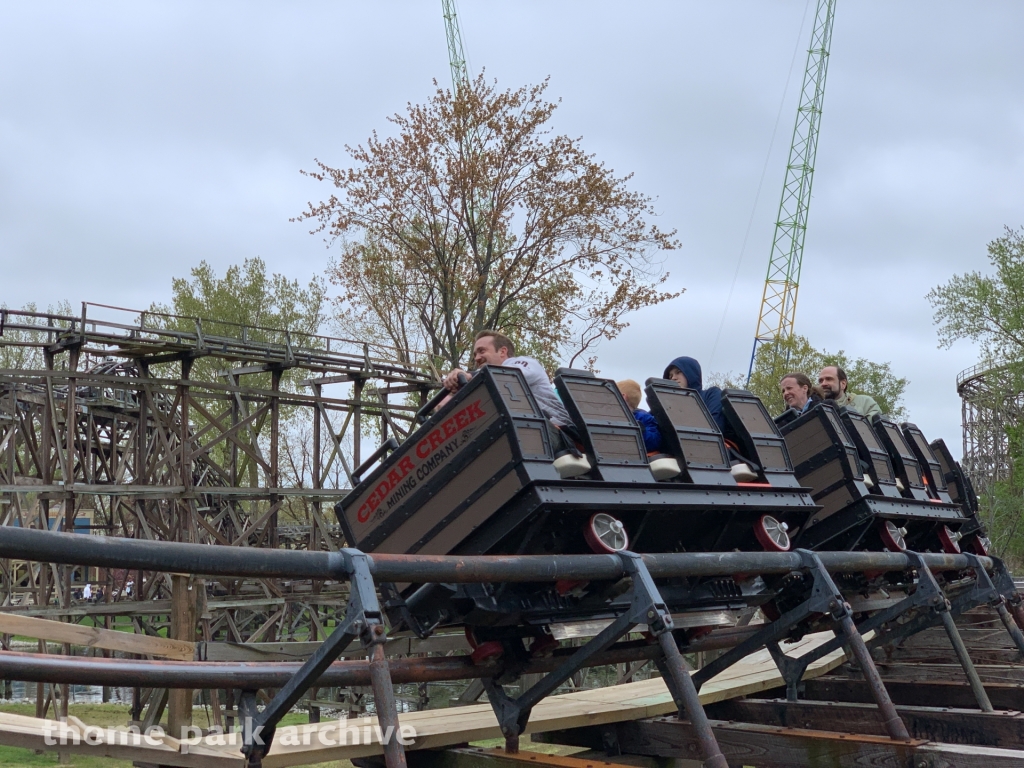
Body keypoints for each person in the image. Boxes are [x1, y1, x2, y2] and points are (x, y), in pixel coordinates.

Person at [443, 330, 572, 427]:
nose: (476, 358)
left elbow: (509, 376)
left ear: (502, 352)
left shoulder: (522, 363)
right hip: (519, 429)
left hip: (559, 430)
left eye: (482, 351)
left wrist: (469, 375)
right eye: (475, 354)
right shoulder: (485, 380)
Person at [663, 356, 724, 430]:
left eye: (678, 372)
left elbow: (715, 426)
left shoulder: (711, 394)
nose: (673, 378)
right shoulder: (667, 405)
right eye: (670, 376)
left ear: (690, 372)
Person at [818, 365, 882, 419]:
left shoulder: (865, 403)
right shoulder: (816, 409)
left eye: (829, 379)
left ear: (843, 384)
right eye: (820, 381)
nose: (823, 384)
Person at [616, 379, 662, 452]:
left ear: (623, 397)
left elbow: (655, 441)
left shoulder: (643, 417)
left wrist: (642, 431)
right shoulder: (613, 417)